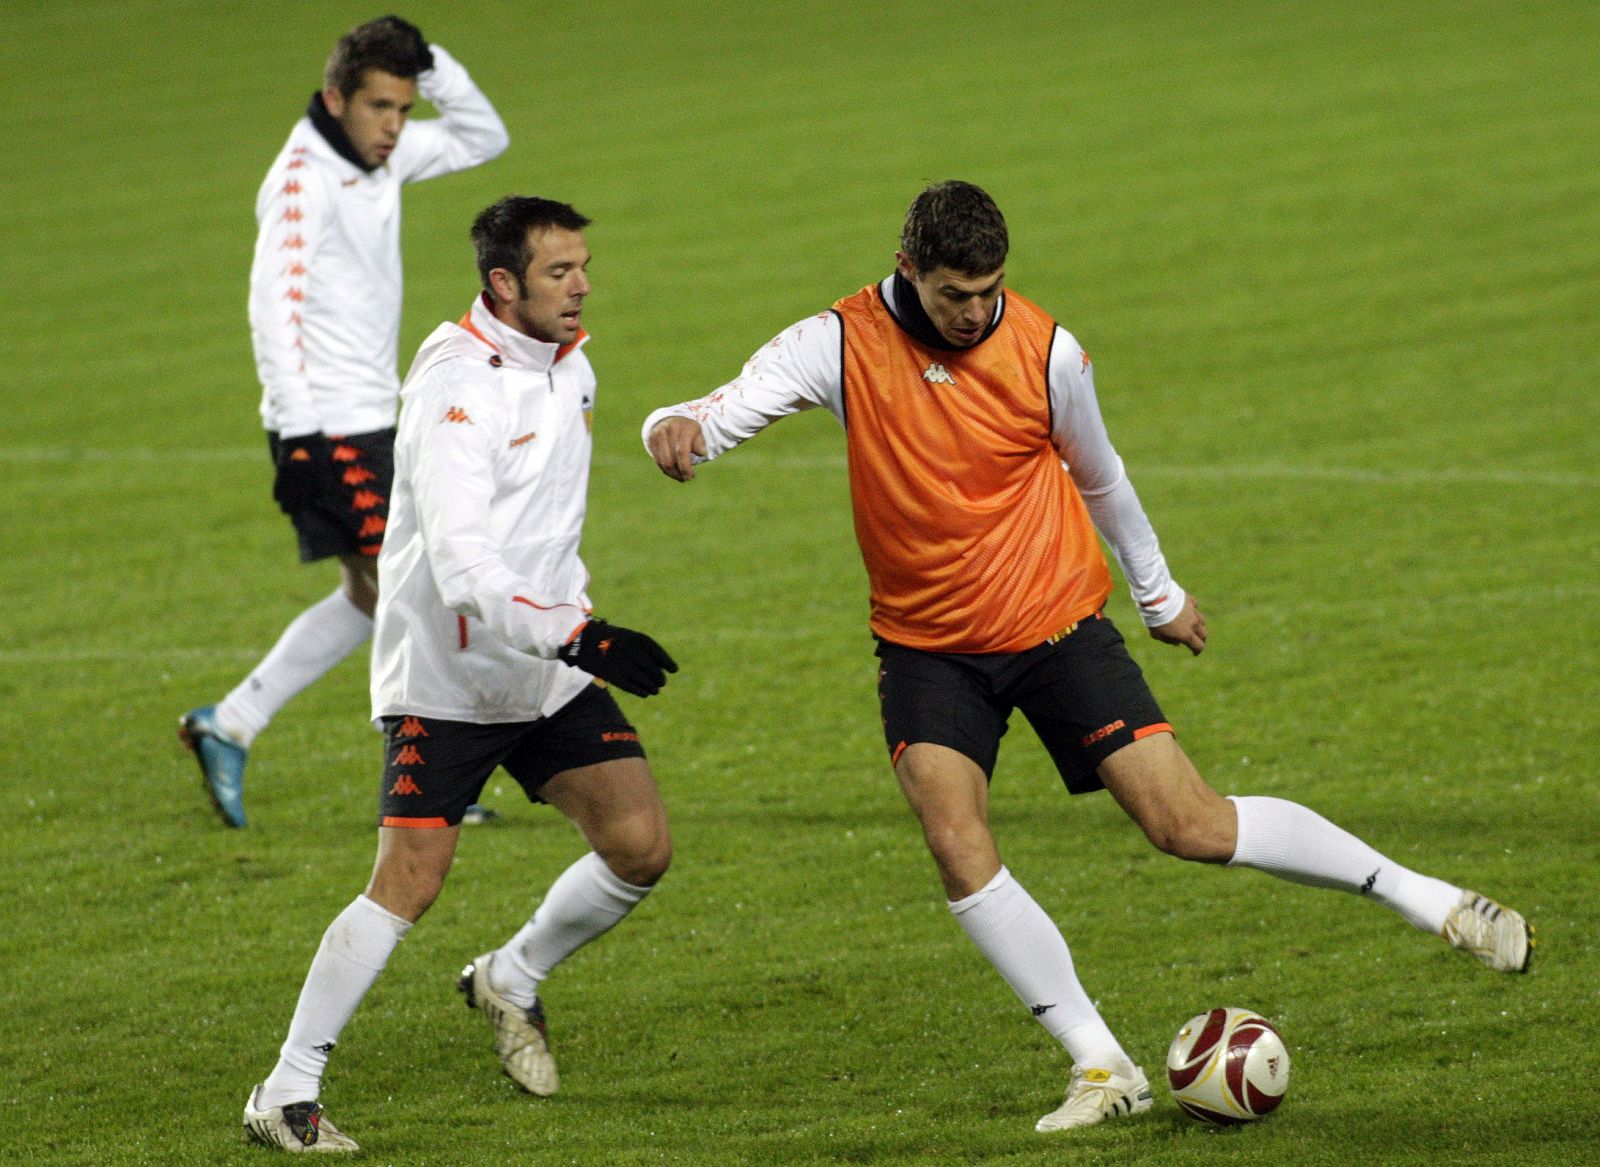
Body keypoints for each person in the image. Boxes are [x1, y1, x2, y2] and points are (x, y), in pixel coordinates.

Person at [644, 180, 1534, 1134]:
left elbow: (1100, 477)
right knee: (955, 840)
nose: (975, 312)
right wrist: (677, 429)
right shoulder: (839, 342)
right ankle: (1102, 1063)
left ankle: (1433, 901)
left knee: (1188, 823)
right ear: (908, 270)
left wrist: (1159, 596)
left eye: (989, 290)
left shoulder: (1047, 351)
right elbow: (717, 406)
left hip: (1056, 625)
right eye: (955, 295)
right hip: (927, 646)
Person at [242, 196, 679, 1152]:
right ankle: (287, 1089)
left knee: (640, 843)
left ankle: (509, 977)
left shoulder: (574, 368)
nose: (582, 287)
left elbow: (544, 534)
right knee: (409, 878)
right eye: (560, 273)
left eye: (584, 266)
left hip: (547, 667)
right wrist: (583, 636)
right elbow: (465, 564)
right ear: (503, 283)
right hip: (450, 674)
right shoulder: (453, 388)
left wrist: (571, 634)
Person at [180, 15, 509, 828]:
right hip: (327, 426)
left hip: (372, 416)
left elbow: (484, 136)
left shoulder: (381, 157)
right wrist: (298, 435)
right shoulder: (301, 182)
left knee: (373, 596)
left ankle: (230, 722)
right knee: (416, 592)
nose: (397, 126)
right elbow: (273, 310)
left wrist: (432, 69)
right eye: (381, 108)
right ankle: (434, 784)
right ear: (336, 99)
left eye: (404, 107)